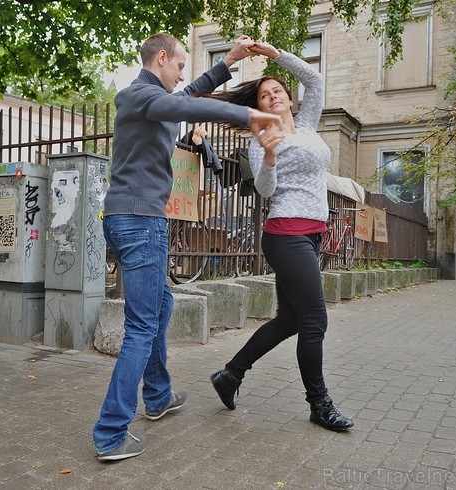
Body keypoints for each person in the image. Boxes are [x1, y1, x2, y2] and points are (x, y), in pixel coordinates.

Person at [93, 33, 282, 462]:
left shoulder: (151, 101)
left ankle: (158, 396)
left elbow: (190, 93)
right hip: (141, 222)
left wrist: (229, 61)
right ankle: (110, 433)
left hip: (136, 220)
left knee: (161, 306)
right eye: (179, 65)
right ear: (161, 58)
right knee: (142, 327)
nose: (182, 75)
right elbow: (189, 104)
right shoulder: (138, 96)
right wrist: (250, 114)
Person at [207, 41, 354, 431]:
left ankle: (230, 375)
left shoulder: (307, 124)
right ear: (260, 107)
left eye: (278, 91)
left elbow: (315, 78)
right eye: (264, 95)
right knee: (314, 322)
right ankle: (319, 404)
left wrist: (275, 55)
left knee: (290, 320)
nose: (273, 96)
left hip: (311, 233)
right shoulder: (261, 140)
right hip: (285, 232)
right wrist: (269, 157)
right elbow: (267, 191)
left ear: (289, 99)